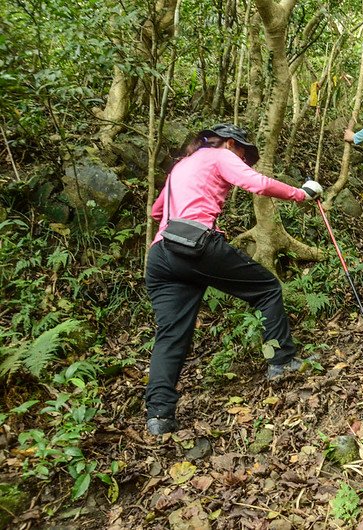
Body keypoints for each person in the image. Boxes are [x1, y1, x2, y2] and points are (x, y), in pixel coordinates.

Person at [144, 123, 323, 435]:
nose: (242, 158)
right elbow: (256, 183)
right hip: (196, 246)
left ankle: (159, 416)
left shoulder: (180, 167)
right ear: (230, 144)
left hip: (160, 256)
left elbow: (157, 212)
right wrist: (300, 194)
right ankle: (280, 360)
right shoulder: (218, 154)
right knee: (267, 288)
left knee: (171, 335)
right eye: (242, 151)